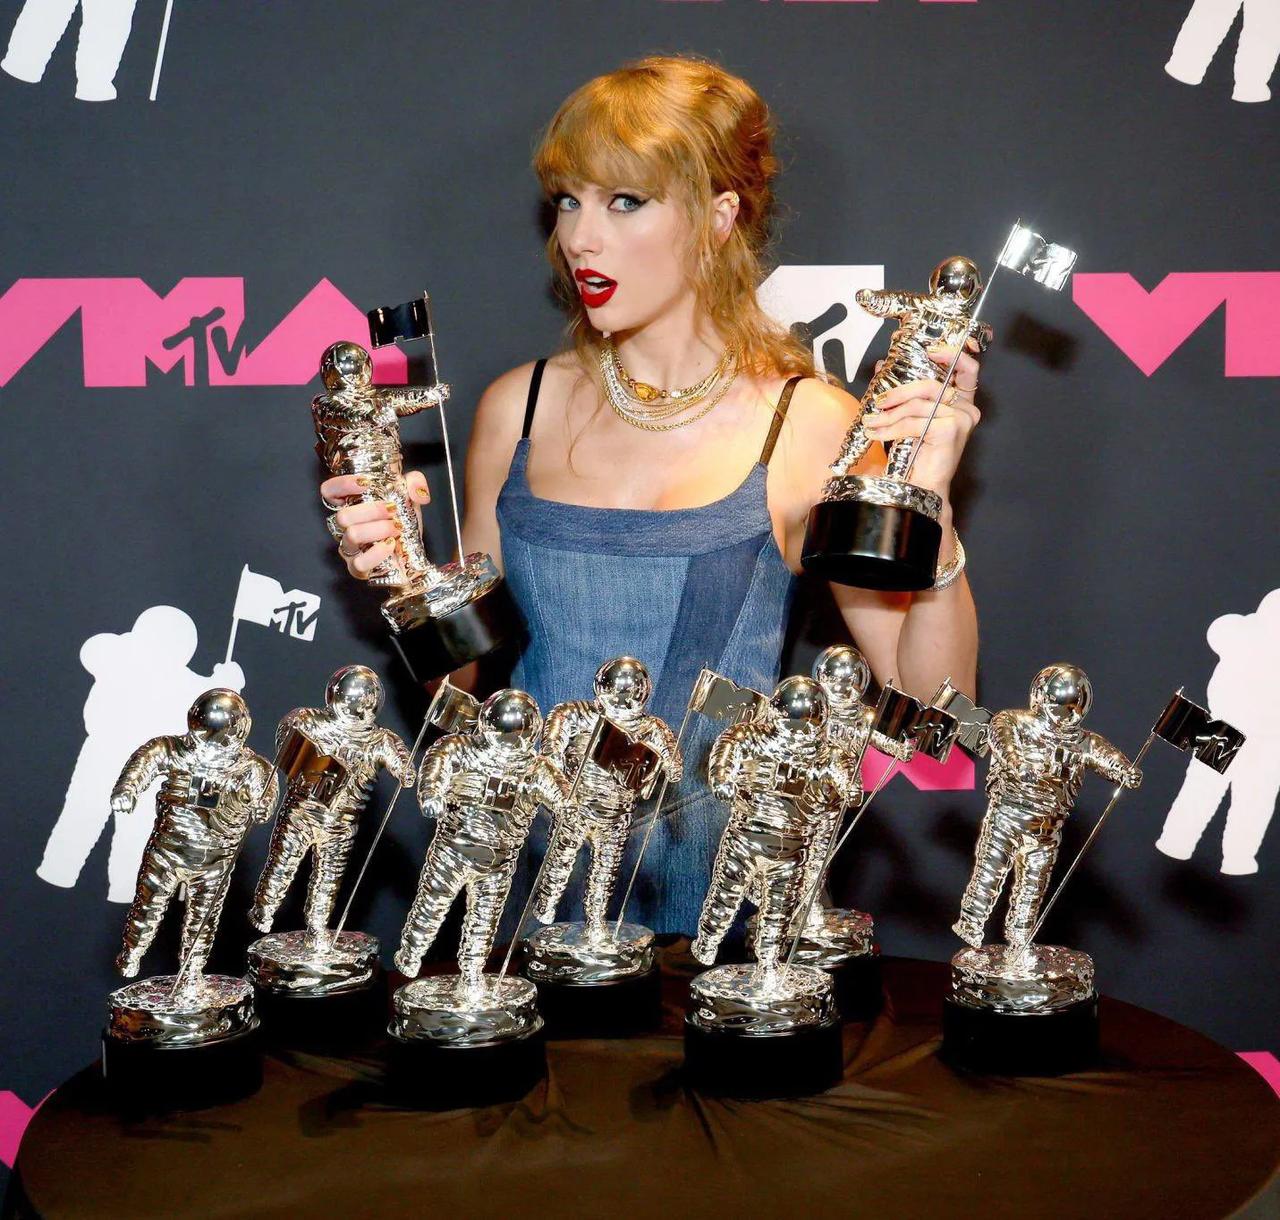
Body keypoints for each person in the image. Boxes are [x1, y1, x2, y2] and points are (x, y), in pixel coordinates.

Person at [320, 55, 982, 935]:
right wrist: (405, 576)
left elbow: (931, 711)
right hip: (527, 913)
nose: (580, 239)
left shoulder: (807, 422)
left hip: (725, 922)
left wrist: (930, 509)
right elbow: (462, 690)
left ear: (719, 216)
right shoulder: (518, 407)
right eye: (569, 201)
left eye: (625, 202)